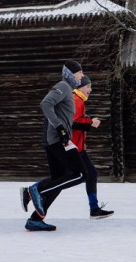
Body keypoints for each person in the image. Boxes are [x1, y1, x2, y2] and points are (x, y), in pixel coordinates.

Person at [20, 60, 88, 231]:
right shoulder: (63, 86)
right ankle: (35, 191)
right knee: (80, 174)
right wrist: (60, 128)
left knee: (59, 179)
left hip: (58, 138)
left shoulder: (68, 90)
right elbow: (45, 104)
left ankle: (35, 219)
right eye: (79, 72)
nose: (82, 76)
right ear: (70, 74)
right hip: (58, 139)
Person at [72, 75, 114, 219]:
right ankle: (34, 191)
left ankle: (94, 209)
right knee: (65, 178)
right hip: (73, 148)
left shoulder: (79, 100)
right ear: (80, 87)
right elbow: (73, 123)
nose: (91, 89)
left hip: (79, 148)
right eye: (88, 86)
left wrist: (89, 120)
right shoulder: (77, 100)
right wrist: (90, 122)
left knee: (91, 174)